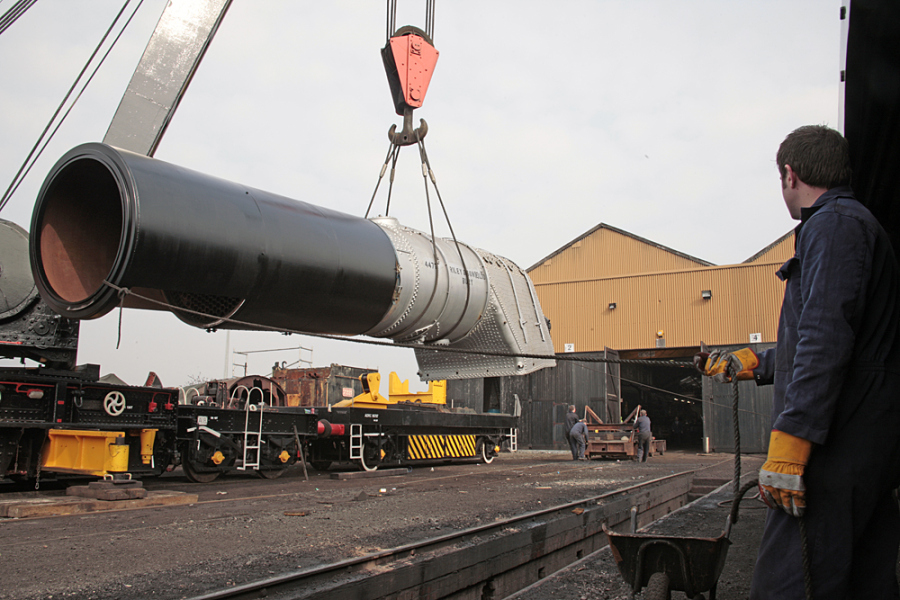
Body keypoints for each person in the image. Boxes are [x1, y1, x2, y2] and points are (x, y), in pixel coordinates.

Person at [696, 125, 900, 599]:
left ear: (790, 174)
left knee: (787, 585)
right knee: (865, 581)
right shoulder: (856, 224)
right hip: (864, 445)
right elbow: (839, 339)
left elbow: (826, 338)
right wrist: (752, 363)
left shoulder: (833, 225)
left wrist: (791, 444)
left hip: (835, 448)